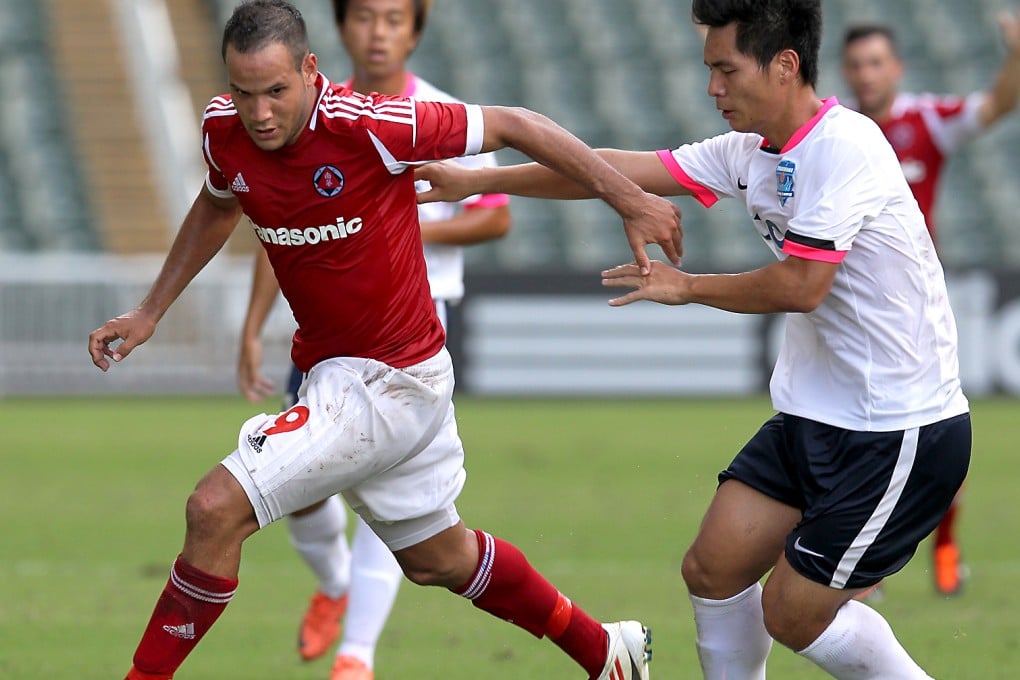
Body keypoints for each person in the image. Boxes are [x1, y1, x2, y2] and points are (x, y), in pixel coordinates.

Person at [88, 2, 683, 679]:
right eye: (244, 92)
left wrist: (628, 199)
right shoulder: (223, 131)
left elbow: (521, 124)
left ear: (310, 71)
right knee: (440, 557)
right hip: (356, 377)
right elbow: (219, 204)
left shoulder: (372, 125)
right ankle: (605, 651)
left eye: (276, 91)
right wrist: (150, 311)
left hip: (388, 379)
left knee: (214, 508)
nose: (259, 113)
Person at [416, 0, 971, 677]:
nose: (712, 88)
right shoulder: (749, 152)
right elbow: (610, 170)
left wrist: (687, 286)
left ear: (785, 65)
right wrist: (480, 180)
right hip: (817, 414)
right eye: (710, 70)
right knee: (713, 568)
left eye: (726, 70)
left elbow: (801, 286)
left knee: (792, 614)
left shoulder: (844, 148)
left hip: (898, 429)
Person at [235, 1, 511, 677]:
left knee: (389, 497)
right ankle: (334, 586)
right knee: (299, 491)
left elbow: (493, 218)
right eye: (364, 17)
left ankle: (356, 654)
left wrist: (394, 228)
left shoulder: (438, 114)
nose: (378, 32)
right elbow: (278, 231)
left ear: (415, 31)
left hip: (414, 331)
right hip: (326, 330)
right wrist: (251, 328)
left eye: (393, 19)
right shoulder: (303, 115)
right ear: (340, 30)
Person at [841, 14, 1020, 596]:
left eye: (876, 63)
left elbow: (994, 107)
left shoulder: (924, 122)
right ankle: (862, 563)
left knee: (936, 434)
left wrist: (1016, 56)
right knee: (847, 436)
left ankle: (944, 549)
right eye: (857, 65)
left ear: (897, 68)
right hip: (847, 310)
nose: (866, 75)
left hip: (917, 312)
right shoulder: (833, 130)